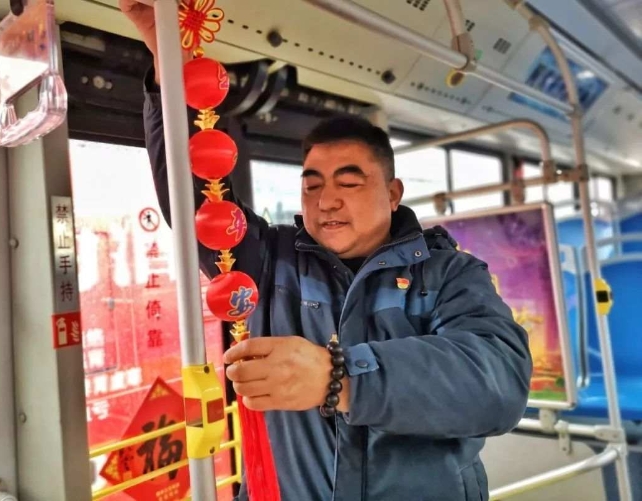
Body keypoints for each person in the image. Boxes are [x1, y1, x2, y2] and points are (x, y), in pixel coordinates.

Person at [121, 2, 533, 499]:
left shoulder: (448, 274)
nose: (327, 200)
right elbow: (200, 202)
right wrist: (171, 63)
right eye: (311, 185)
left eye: (349, 183)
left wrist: (339, 378)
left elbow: (497, 381)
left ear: (393, 193)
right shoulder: (271, 263)